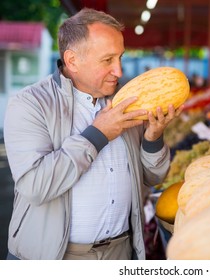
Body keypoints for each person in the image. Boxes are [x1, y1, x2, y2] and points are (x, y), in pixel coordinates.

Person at [3, 8, 183, 260]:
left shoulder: (128, 100)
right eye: (107, 60)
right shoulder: (29, 104)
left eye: (120, 57)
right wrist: (98, 135)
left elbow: (152, 177)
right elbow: (36, 186)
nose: (119, 71)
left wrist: (153, 138)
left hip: (120, 253)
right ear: (73, 60)